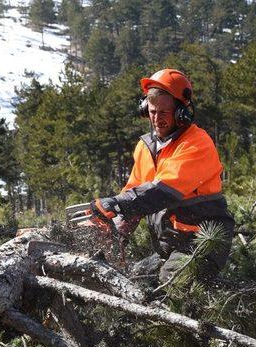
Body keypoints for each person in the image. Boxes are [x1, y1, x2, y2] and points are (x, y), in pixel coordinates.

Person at [89, 68, 234, 282]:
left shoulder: (196, 143)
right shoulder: (146, 147)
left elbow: (163, 191)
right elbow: (134, 192)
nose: (157, 119)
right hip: (169, 245)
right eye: (152, 111)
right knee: (135, 278)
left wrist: (115, 204)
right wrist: (117, 224)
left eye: (164, 113)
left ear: (181, 112)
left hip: (203, 242)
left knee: (169, 284)